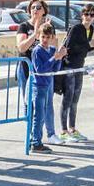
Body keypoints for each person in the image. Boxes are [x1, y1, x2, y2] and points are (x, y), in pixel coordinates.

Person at [61, 3, 94, 142]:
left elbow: (84, 49)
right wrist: (90, 44)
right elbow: (70, 48)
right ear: (81, 15)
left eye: (92, 15)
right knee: (67, 99)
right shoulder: (76, 28)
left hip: (80, 67)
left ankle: (72, 128)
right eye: (86, 14)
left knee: (75, 100)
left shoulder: (90, 29)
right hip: (69, 67)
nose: (88, 17)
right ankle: (64, 130)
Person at [28, 23, 66, 154]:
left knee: (43, 115)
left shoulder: (51, 50)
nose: (44, 40)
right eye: (42, 36)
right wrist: (54, 58)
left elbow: (55, 69)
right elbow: (40, 69)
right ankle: (35, 142)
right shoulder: (37, 51)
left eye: (47, 37)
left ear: (52, 38)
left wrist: (59, 58)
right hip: (38, 86)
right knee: (38, 116)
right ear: (38, 36)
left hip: (47, 84)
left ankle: (36, 140)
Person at [16, 0, 51, 102]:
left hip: (42, 67)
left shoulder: (48, 27)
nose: (35, 9)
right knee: (28, 101)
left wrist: (49, 33)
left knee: (42, 100)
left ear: (44, 11)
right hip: (26, 67)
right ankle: (29, 119)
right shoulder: (24, 26)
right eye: (33, 7)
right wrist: (35, 34)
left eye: (39, 7)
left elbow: (53, 48)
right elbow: (21, 47)